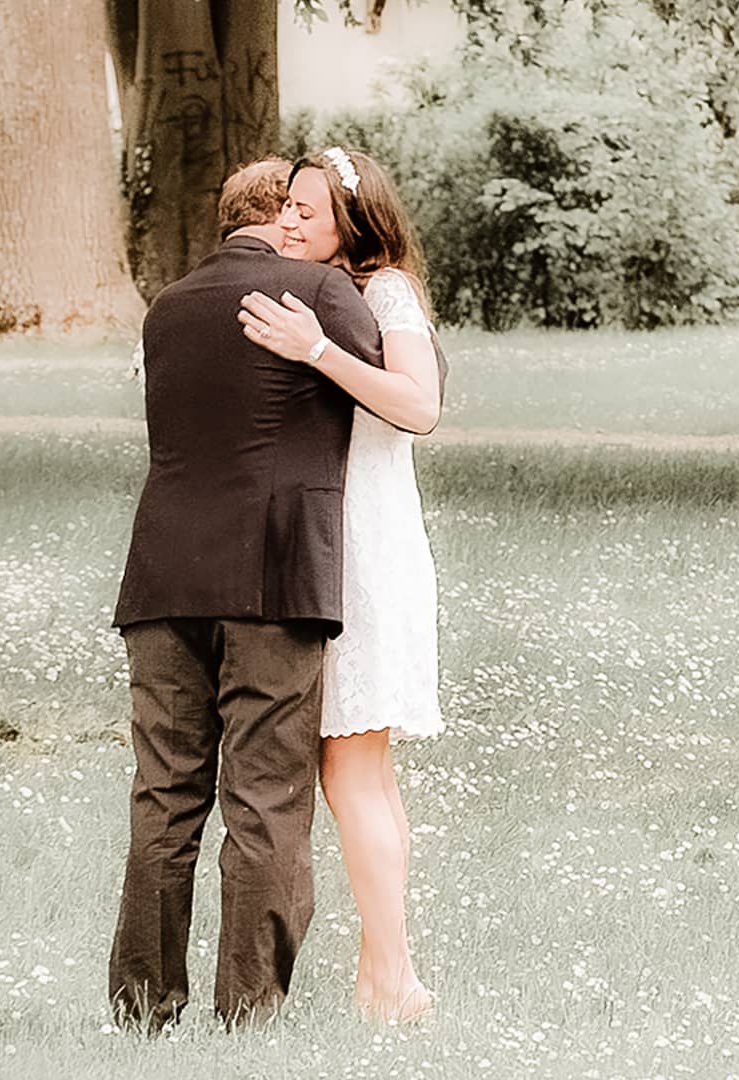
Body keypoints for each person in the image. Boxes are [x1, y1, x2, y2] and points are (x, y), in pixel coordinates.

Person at [109, 158, 385, 1030]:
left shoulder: (168, 306)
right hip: (272, 575)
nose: (310, 220)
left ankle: (143, 1010)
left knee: (164, 795)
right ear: (283, 213)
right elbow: (404, 391)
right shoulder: (318, 295)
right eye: (302, 207)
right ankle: (250, 1015)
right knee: (265, 797)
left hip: (161, 573)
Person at [236, 146, 446, 1022]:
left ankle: (391, 978)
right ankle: (387, 970)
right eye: (286, 206)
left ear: (352, 225)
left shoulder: (383, 290)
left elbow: (418, 405)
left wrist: (319, 349)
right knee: (363, 770)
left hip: (360, 542)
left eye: (308, 214)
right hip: (331, 533)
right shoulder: (312, 289)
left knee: (351, 768)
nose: (288, 221)